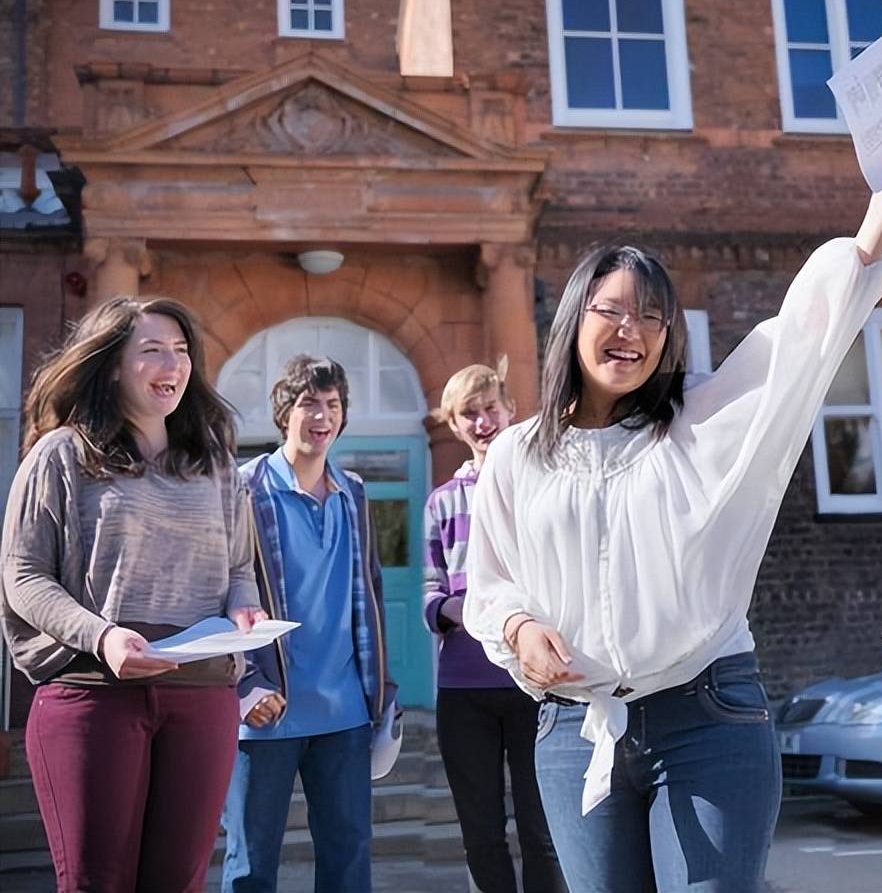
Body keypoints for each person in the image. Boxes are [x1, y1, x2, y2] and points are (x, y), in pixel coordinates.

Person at [463, 135, 882, 892]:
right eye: (611, 310)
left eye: (652, 317)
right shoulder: (519, 454)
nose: (631, 331)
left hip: (707, 714)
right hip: (574, 731)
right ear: (572, 321)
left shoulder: (703, 420)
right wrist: (518, 630)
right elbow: (490, 583)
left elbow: (804, 340)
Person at [0, 296, 265, 893]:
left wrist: (243, 609)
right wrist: (103, 635)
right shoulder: (61, 455)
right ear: (112, 365)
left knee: (180, 883)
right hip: (93, 693)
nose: (172, 363)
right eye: (151, 351)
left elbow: (240, 566)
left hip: (202, 696)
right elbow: (22, 576)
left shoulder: (216, 463)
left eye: (181, 352)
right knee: (98, 882)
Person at [220, 355, 397, 893]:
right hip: (267, 710)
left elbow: (370, 592)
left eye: (332, 405)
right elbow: (218, 591)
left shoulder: (354, 492)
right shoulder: (243, 488)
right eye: (308, 404)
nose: (321, 416)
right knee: (250, 868)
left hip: (343, 709)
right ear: (284, 412)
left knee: (348, 864)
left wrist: (382, 688)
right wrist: (246, 683)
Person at [424, 358, 566, 893]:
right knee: (480, 831)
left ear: (510, 410)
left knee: (542, 828)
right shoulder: (441, 503)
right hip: (463, 690)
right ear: (454, 425)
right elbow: (428, 590)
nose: (482, 422)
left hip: (534, 685)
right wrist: (452, 608)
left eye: (490, 409)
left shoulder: (541, 489)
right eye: (469, 414)